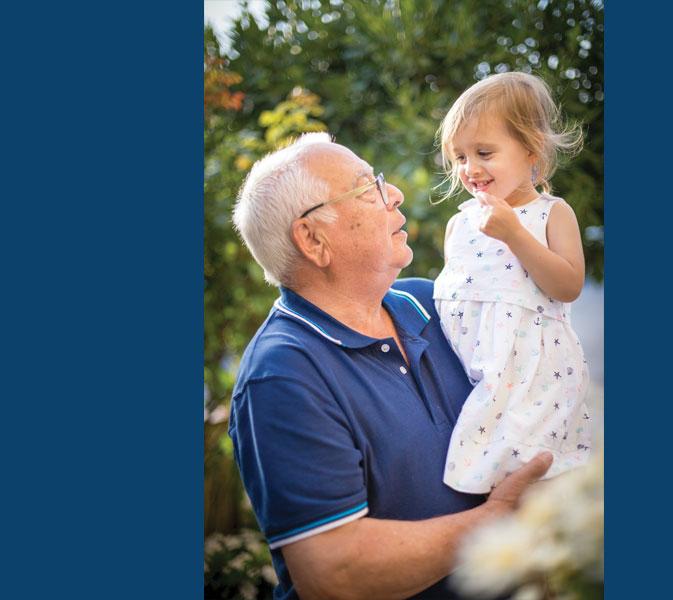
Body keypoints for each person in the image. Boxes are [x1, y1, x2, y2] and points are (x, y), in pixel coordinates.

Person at [228, 132, 553, 600]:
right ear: (313, 239)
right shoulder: (282, 374)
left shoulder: (433, 302)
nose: (394, 193)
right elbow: (334, 573)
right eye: (368, 187)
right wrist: (494, 519)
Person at [433, 72, 594, 494]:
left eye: (484, 152)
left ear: (530, 150)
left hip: (534, 381)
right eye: (460, 157)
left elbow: (568, 285)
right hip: (474, 378)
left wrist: (515, 235)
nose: (471, 169)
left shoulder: (551, 213)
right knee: (479, 487)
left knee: (534, 482)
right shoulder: (460, 224)